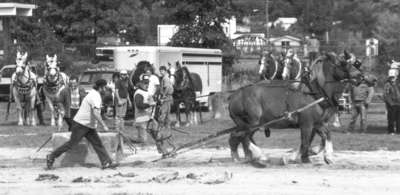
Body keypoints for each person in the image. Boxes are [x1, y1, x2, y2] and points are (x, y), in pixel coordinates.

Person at [46, 79, 119, 170]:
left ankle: (106, 162)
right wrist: (104, 125)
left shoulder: (94, 94)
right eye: (104, 87)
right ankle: (51, 156)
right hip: (81, 124)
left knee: (97, 143)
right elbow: (96, 113)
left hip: (87, 125)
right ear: (100, 88)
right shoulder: (95, 96)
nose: (105, 89)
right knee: (71, 144)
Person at [134, 79, 169, 155]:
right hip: (141, 120)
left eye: (147, 83)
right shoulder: (138, 93)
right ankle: (123, 138)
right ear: (140, 84)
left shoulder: (147, 92)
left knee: (158, 135)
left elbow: (153, 102)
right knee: (142, 140)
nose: (146, 85)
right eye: (144, 83)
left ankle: (164, 152)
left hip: (150, 119)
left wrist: (159, 102)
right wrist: (150, 104)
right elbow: (139, 105)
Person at [383, 69, 400, 134]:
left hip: (398, 104)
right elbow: (386, 95)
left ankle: (398, 131)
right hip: (391, 104)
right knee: (391, 119)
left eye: (393, 77)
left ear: (396, 77)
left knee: (399, 119)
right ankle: (391, 131)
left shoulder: (398, 84)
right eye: (391, 77)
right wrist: (391, 103)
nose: (392, 78)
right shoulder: (387, 85)